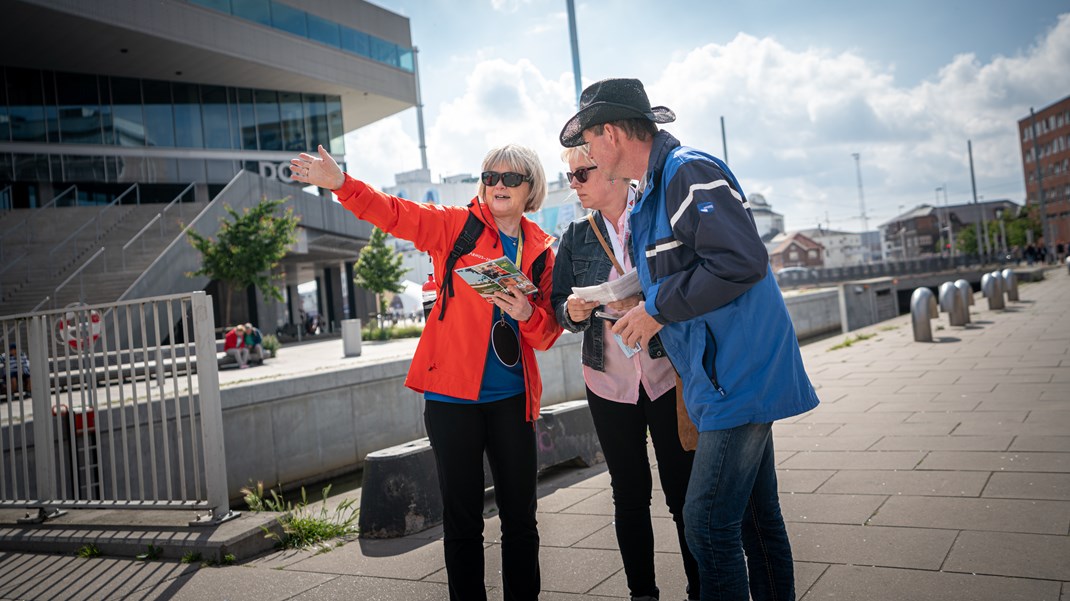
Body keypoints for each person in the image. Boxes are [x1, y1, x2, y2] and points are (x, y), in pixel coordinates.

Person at [560, 78, 820, 601]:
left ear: (610, 133)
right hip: (721, 377)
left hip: (736, 377)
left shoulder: (686, 171)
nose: (585, 154)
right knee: (754, 520)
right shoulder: (657, 191)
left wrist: (654, 309)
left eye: (587, 142)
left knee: (704, 524)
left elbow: (741, 261)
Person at [290, 143, 562, 601]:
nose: (498, 185)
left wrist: (524, 313)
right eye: (490, 175)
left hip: (513, 398)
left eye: (511, 178)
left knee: (521, 518)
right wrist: (342, 185)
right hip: (452, 399)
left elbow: (547, 333)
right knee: (463, 522)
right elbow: (395, 213)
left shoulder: (542, 249)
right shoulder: (456, 225)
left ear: (530, 188)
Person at [551, 145, 700, 601]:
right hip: (608, 381)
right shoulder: (575, 235)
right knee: (629, 493)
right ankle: (643, 593)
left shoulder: (652, 214)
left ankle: (702, 588)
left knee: (683, 492)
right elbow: (559, 305)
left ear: (611, 171)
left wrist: (647, 305)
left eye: (581, 174)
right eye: (570, 176)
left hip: (665, 371)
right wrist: (573, 310)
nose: (574, 184)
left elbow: (686, 275)